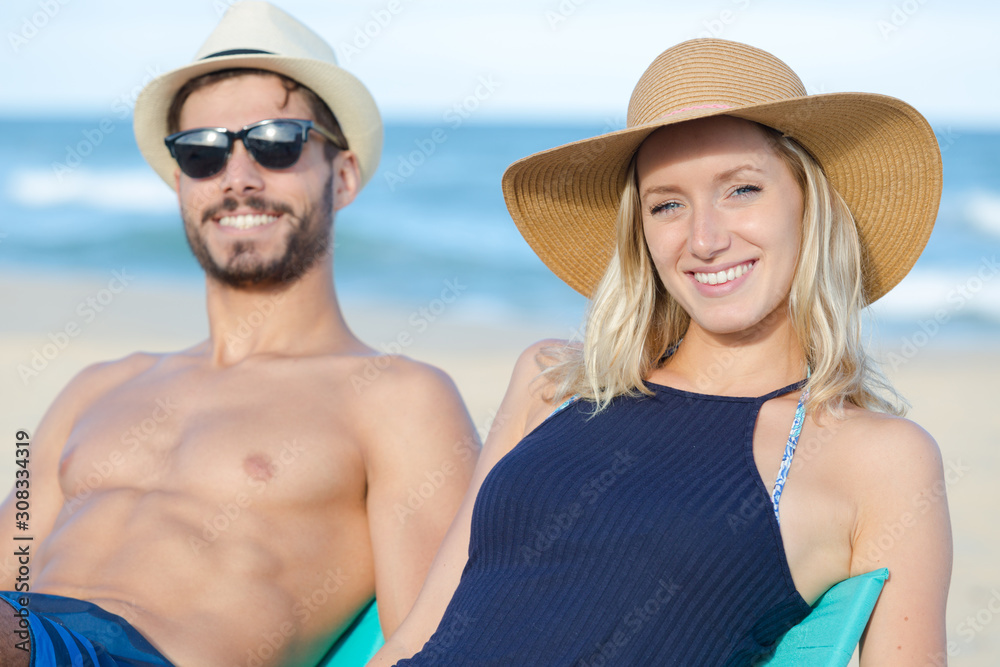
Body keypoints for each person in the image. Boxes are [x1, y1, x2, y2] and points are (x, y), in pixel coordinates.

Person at [371, 38, 952, 665]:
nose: (704, 239)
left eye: (742, 190)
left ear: (809, 207)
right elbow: (417, 634)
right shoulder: (556, 382)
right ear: (641, 232)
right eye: (668, 204)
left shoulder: (877, 458)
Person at [0, 2, 478, 666]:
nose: (238, 177)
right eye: (202, 154)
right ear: (179, 185)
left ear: (341, 176)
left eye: (277, 142)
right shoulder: (97, 385)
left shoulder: (397, 396)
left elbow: (436, 646)